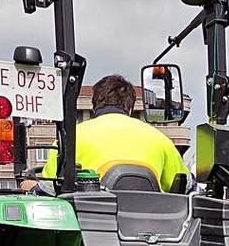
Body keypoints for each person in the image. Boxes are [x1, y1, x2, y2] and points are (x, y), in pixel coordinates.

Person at [24, 74, 189, 192]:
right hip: (151, 233)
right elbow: (186, 184)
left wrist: (31, 186)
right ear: (130, 109)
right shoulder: (160, 139)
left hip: (90, 233)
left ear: (94, 107)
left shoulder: (71, 138)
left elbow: (49, 188)